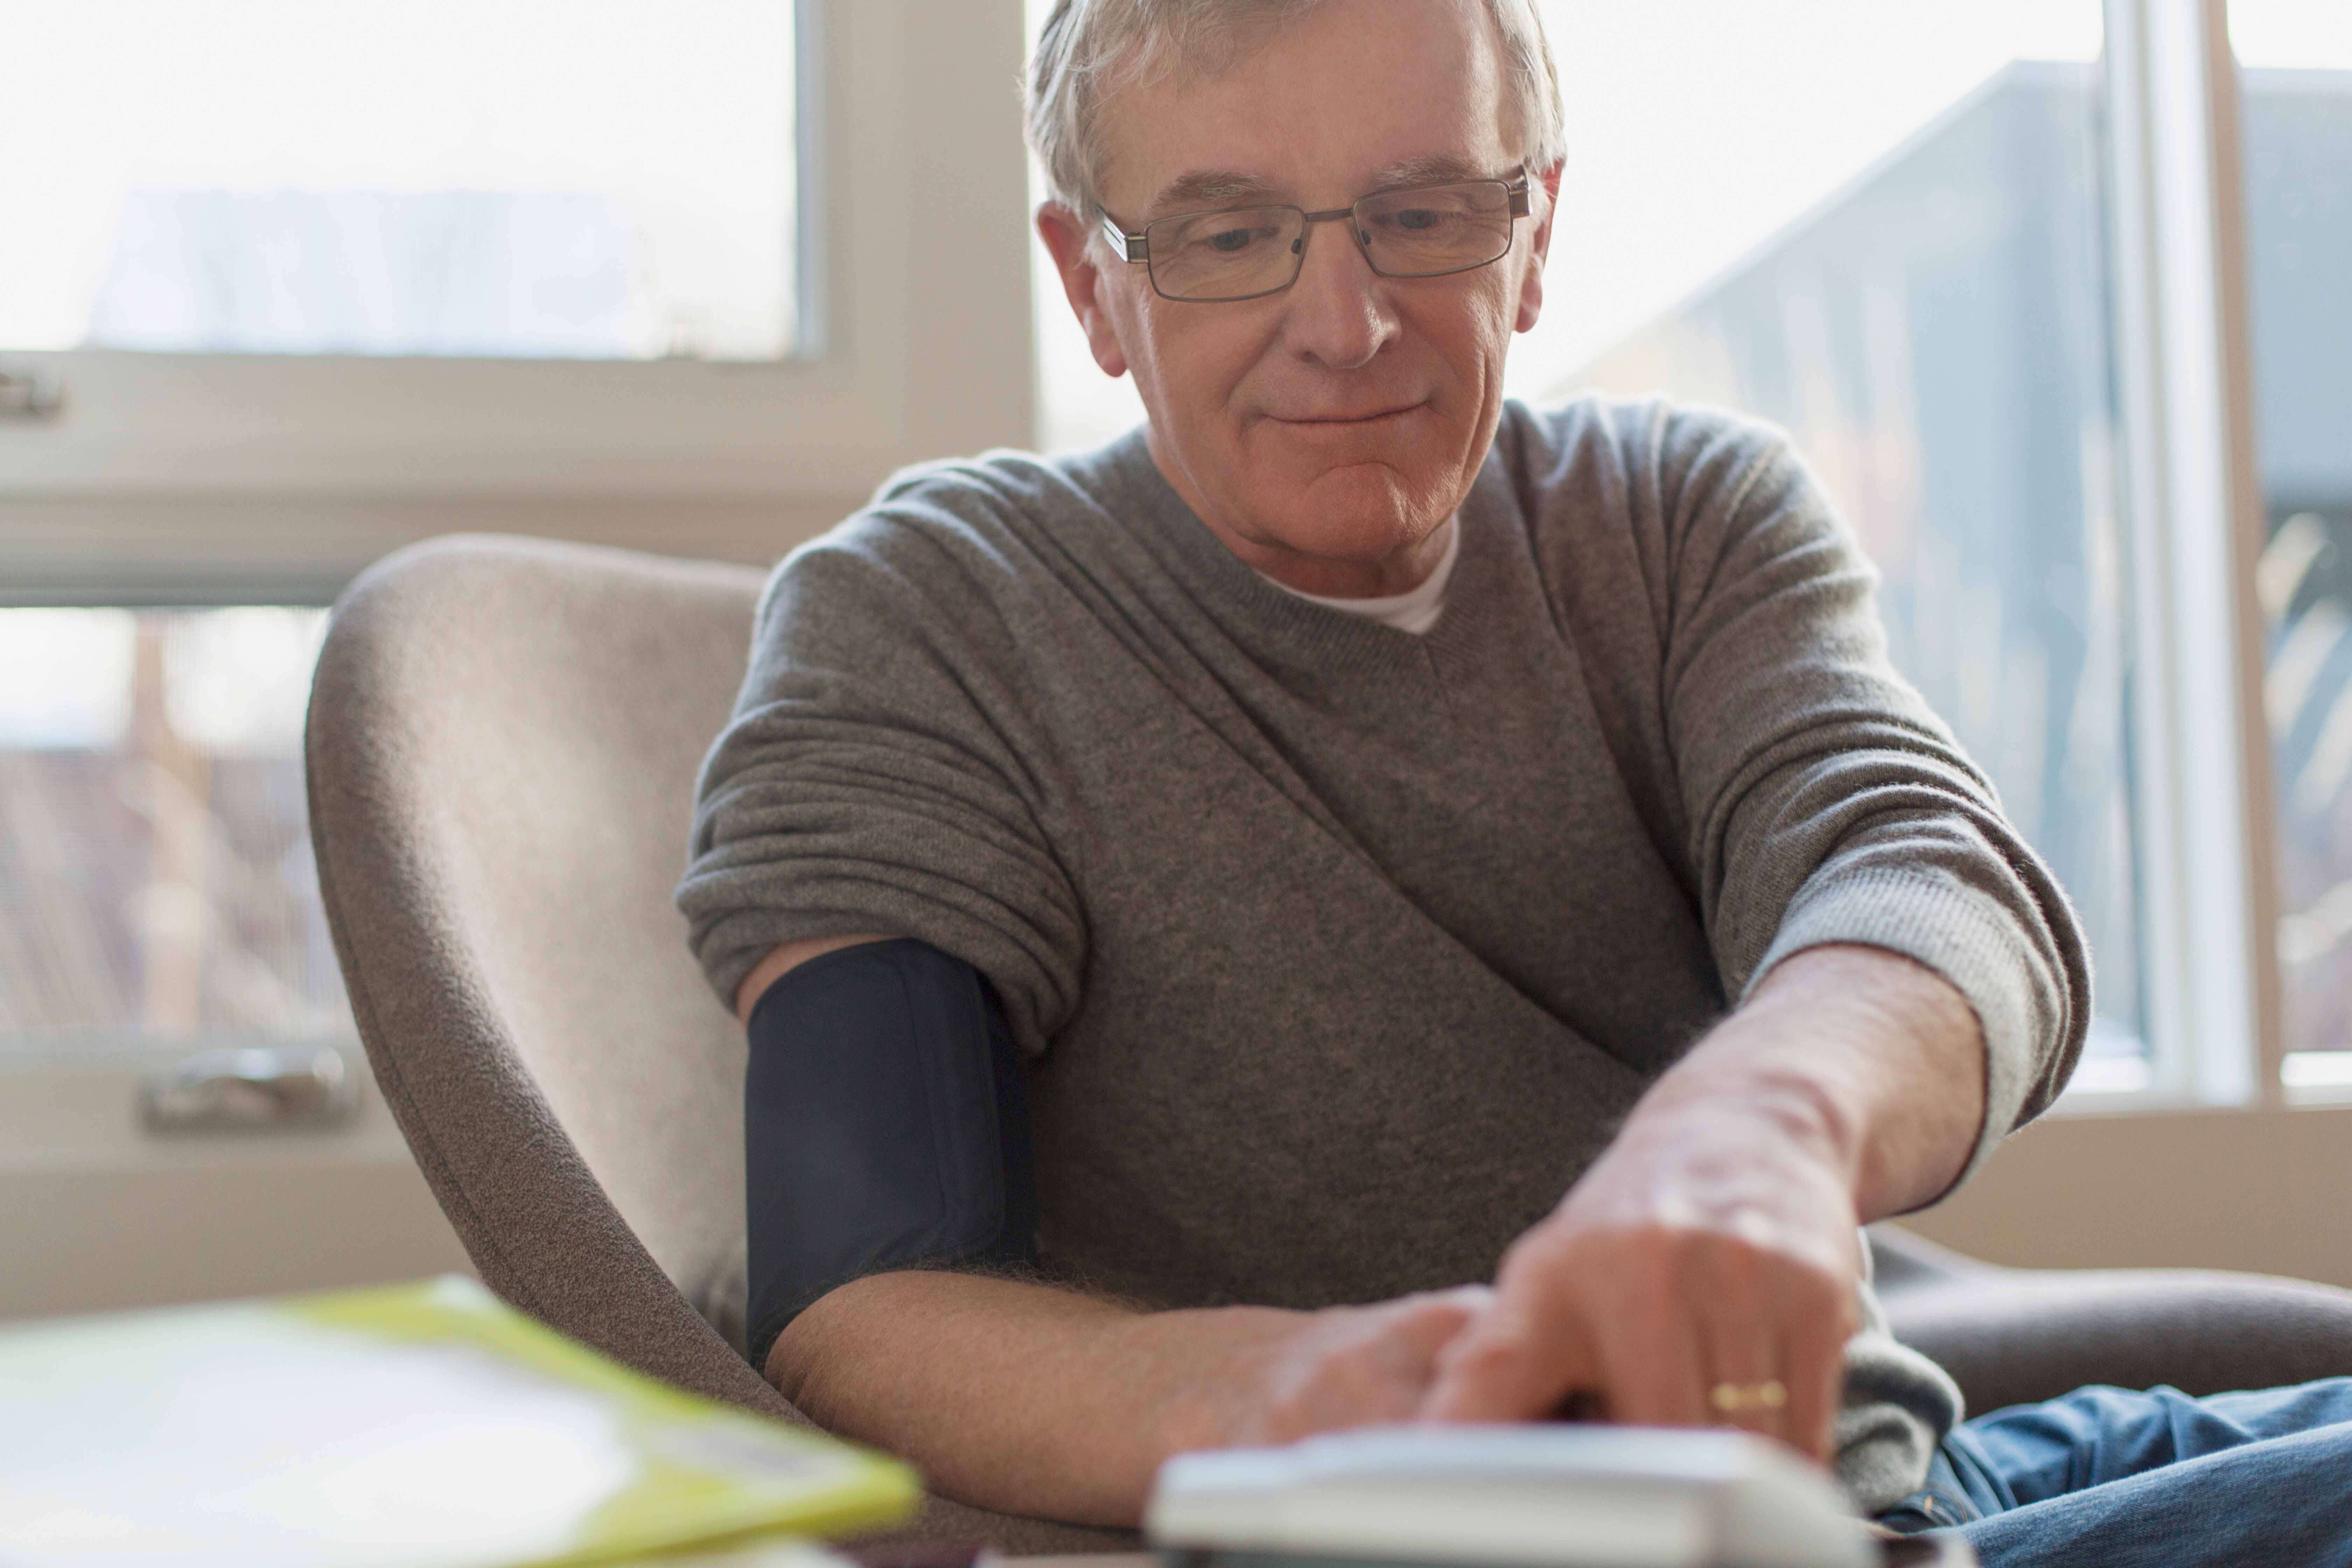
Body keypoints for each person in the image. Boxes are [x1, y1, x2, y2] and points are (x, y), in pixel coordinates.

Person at [677, 2, 2352, 1563]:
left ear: (1536, 232)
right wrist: (1289, 1407)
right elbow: (862, 1293)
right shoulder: (935, 615)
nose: (1344, 326)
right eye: (1226, 235)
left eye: (1425, 213)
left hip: (1907, 1478)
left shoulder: (1683, 517)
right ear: (1092, 283)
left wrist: (1759, 1122)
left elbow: (1927, 872)